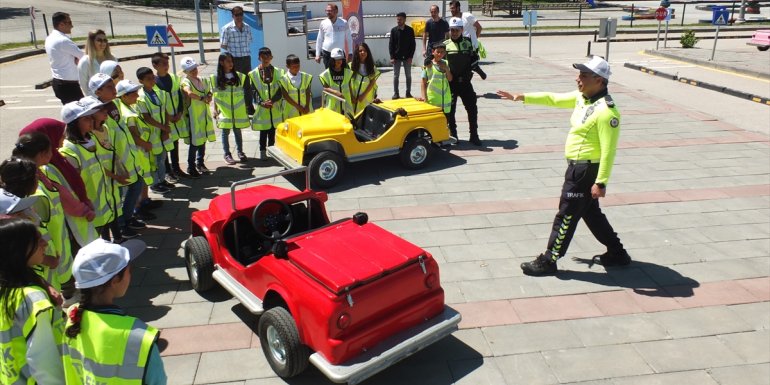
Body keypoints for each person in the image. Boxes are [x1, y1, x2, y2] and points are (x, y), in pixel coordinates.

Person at [496, 55, 631, 276]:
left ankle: (549, 260)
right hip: (578, 168)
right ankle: (617, 252)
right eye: (579, 74)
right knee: (591, 214)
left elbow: (609, 150)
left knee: (566, 214)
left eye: (584, 75)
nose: (578, 79)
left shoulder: (606, 111)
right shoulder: (583, 98)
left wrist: (601, 182)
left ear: (599, 80)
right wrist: (521, 97)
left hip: (585, 171)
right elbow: (553, 98)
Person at [62, 238, 167, 384]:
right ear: (115, 280)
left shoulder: (73, 318)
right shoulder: (140, 336)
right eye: (129, 271)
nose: (130, 276)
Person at [0, 217, 65, 385]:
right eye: (37, 240)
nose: (45, 244)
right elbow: (45, 365)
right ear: (17, 250)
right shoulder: (33, 299)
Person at [13, 133, 76, 290]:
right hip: (47, 259)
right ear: (42, 154)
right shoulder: (36, 194)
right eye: (51, 150)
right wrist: (47, 259)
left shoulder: (42, 172)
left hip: (53, 252)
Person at [61, 95, 124, 243]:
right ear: (74, 124)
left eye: (90, 117)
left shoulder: (91, 139)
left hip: (104, 201)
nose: (91, 121)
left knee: (105, 236)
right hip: (90, 207)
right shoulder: (69, 150)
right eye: (85, 119)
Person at [136, 66, 175, 191]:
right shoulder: (141, 97)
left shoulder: (158, 92)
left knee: (162, 158)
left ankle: (162, 180)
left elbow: (165, 110)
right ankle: (155, 184)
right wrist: (163, 127)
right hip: (152, 135)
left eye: (153, 78)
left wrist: (165, 129)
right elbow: (147, 118)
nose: (152, 81)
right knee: (154, 161)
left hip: (161, 132)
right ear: (141, 81)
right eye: (148, 79)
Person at [152, 52, 189, 182]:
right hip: (165, 121)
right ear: (155, 66)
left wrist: (179, 112)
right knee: (166, 145)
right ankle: (168, 171)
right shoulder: (154, 83)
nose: (166, 66)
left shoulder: (173, 78)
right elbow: (158, 103)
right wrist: (168, 117)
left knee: (175, 144)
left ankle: (176, 168)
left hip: (176, 118)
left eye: (167, 63)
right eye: (162, 64)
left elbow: (179, 96)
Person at [444, 17, 481, 146]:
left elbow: (474, 57)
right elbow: (435, 57)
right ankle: (453, 135)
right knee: (451, 111)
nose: (454, 33)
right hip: (451, 83)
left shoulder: (468, 42)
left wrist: (475, 61)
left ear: (462, 30)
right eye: (452, 30)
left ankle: (474, 135)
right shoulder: (445, 44)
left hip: (465, 83)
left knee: (472, 109)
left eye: (457, 30)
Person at [180, 57, 216, 176]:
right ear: (186, 72)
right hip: (193, 117)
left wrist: (209, 96)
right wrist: (202, 98)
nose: (194, 71)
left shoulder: (202, 80)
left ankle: (200, 162)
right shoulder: (186, 81)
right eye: (191, 70)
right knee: (194, 143)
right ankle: (191, 166)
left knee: (203, 140)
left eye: (195, 68)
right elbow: (189, 93)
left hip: (204, 116)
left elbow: (209, 91)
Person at [211, 53, 250, 165]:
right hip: (225, 111)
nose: (231, 63)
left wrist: (246, 107)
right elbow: (215, 95)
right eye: (228, 61)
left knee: (238, 131)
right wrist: (215, 109)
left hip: (237, 111)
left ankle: (240, 152)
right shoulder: (216, 78)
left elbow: (243, 93)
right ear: (221, 63)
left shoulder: (239, 77)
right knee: (225, 132)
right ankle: (227, 153)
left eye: (231, 61)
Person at [249, 47, 284, 161]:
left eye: (268, 57)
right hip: (263, 109)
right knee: (263, 132)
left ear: (271, 58)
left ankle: (272, 150)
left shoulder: (279, 72)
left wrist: (273, 100)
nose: (266, 59)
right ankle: (262, 151)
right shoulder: (253, 74)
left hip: (274, 108)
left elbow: (281, 89)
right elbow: (253, 91)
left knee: (273, 131)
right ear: (259, 58)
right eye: (263, 57)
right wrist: (261, 102)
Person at [220, 5, 256, 116]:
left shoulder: (247, 27)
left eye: (241, 14)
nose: (239, 17)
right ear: (232, 16)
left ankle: (249, 107)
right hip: (234, 60)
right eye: (237, 15)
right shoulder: (227, 28)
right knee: (235, 84)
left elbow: (250, 41)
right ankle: (236, 108)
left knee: (247, 84)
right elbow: (223, 45)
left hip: (246, 59)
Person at [45, 12, 85, 104]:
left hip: (59, 83)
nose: (72, 26)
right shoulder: (63, 41)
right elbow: (83, 57)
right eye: (69, 22)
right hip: (69, 86)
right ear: (61, 24)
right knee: (81, 114)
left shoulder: (49, 38)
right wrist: (77, 58)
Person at [448, 0, 486, 80]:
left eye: (453, 8)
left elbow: (479, 28)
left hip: (470, 46)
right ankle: (475, 69)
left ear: (458, 8)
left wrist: (474, 40)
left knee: (468, 66)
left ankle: (475, 70)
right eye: (450, 8)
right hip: (460, 47)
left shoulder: (467, 16)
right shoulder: (453, 20)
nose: (451, 10)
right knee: (462, 68)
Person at [77, 29, 116, 96]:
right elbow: (83, 85)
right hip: (95, 99)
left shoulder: (112, 58)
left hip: (112, 97)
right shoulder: (85, 61)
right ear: (92, 42)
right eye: (99, 40)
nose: (103, 43)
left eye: (105, 40)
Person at [420, 42, 453, 121]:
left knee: (445, 126)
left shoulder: (446, 63)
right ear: (433, 52)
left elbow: (450, 79)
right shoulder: (428, 65)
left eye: (442, 52)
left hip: (446, 102)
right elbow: (423, 82)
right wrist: (424, 98)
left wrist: (446, 69)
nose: (439, 54)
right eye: (437, 52)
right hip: (433, 101)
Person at [315, 3, 353, 68]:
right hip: (327, 53)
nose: (328, 12)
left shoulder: (344, 23)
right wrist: (317, 54)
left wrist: (350, 53)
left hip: (340, 53)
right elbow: (319, 39)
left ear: (336, 11)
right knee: (329, 74)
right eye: (326, 10)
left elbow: (349, 38)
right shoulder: (323, 23)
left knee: (342, 74)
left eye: (330, 10)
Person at [389, 12, 416, 99]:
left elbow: (413, 44)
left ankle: (408, 93)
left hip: (407, 58)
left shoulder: (410, 30)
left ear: (404, 19)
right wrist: (392, 57)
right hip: (396, 58)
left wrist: (411, 57)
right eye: (397, 19)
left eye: (400, 19)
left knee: (408, 75)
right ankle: (396, 93)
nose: (398, 21)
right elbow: (391, 45)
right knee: (396, 76)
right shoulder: (394, 30)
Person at [319, 48, 353, 116]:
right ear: (332, 60)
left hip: (346, 106)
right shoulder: (326, 74)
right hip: (333, 107)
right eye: (337, 59)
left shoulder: (347, 72)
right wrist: (336, 92)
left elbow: (349, 86)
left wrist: (352, 97)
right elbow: (325, 88)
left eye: (341, 59)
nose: (339, 61)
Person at [349, 42, 380, 115]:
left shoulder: (371, 67)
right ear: (357, 53)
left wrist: (363, 95)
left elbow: (372, 82)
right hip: (354, 99)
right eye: (360, 51)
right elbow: (347, 82)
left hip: (366, 98)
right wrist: (351, 96)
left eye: (365, 51)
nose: (363, 52)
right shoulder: (350, 66)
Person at [280, 54, 314, 120]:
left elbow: (308, 92)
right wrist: (298, 107)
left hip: (305, 109)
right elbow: (285, 96)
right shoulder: (284, 79)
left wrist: (307, 106)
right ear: (287, 66)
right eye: (293, 66)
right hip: (291, 112)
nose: (296, 68)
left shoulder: (305, 76)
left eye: (298, 66)